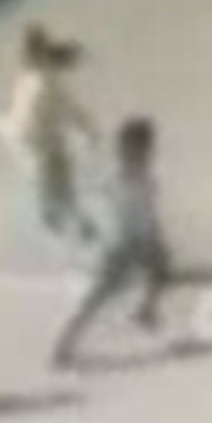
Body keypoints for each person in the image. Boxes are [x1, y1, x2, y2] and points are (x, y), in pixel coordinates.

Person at [51, 116, 172, 370]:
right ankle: (61, 347)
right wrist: (84, 222)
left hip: (141, 240)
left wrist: (155, 235)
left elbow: (148, 210)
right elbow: (98, 194)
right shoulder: (120, 174)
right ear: (130, 147)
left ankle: (145, 312)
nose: (148, 152)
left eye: (147, 147)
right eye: (143, 147)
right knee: (96, 297)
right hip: (121, 246)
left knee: (162, 266)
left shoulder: (143, 175)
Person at [0, 24, 100, 244]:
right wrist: (87, 129)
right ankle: (62, 221)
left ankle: (68, 219)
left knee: (54, 179)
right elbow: (68, 107)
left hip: (34, 139)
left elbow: (54, 62)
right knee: (52, 180)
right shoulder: (43, 83)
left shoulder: (33, 74)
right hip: (36, 140)